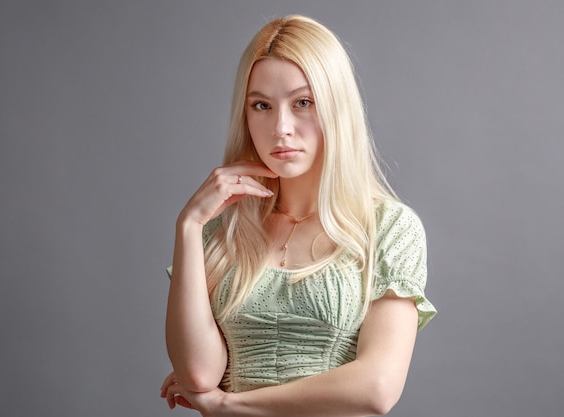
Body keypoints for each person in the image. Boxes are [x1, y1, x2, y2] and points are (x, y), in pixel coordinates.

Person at [160, 14, 436, 417]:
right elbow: (198, 374)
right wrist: (188, 226)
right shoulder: (221, 231)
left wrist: (228, 406)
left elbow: (376, 388)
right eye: (262, 106)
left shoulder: (390, 228)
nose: (281, 128)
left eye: (303, 102)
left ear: (336, 108)